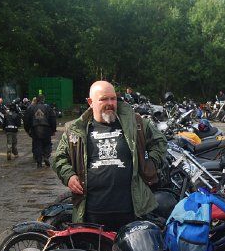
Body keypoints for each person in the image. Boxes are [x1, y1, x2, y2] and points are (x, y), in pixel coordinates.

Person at [53, 80, 167, 229]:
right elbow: (59, 158)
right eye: (104, 99)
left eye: (113, 98)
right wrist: (69, 176)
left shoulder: (135, 123)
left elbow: (160, 141)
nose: (110, 103)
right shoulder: (75, 130)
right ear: (90, 102)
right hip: (91, 214)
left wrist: (151, 164)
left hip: (131, 212)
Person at [24, 95, 56, 168]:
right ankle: (46, 156)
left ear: (36, 100)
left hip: (35, 129)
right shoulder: (47, 107)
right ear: (43, 100)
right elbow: (53, 119)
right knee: (47, 144)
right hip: (46, 129)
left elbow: (26, 119)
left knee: (37, 145)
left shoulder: (31, 108)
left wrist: (27, 129)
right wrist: (53, 129)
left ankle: (39, 162)